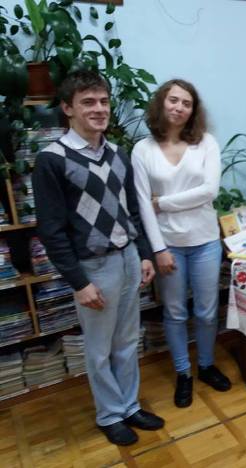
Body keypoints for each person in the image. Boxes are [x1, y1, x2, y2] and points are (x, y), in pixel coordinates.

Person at [32, 70, 164, 446]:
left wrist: (143, 253)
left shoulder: (117, 153)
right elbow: (51, 230)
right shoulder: (52, 160)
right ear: (67, 108)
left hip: (127, 259)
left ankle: (130, 406)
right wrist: (79, 282)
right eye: (88, 102)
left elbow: (131, 209)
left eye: (104, 101)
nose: (99, 109)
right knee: (100, 347)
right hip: (94, 267)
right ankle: (109, 414)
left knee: (127, 340)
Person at [132, 79, 231, 409]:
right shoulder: (142, 150)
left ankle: (206, 365)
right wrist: (158, 249)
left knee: (206, 311)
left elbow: (209, 191)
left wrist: (163, 203)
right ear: (161, 103)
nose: (179, 107)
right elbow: (142, 204)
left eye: (186, 103)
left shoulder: (206, 143)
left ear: (193, 111)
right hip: (168, 245)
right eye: (173, 100)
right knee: (174, 313)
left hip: (205, 241)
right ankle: (183, 373)